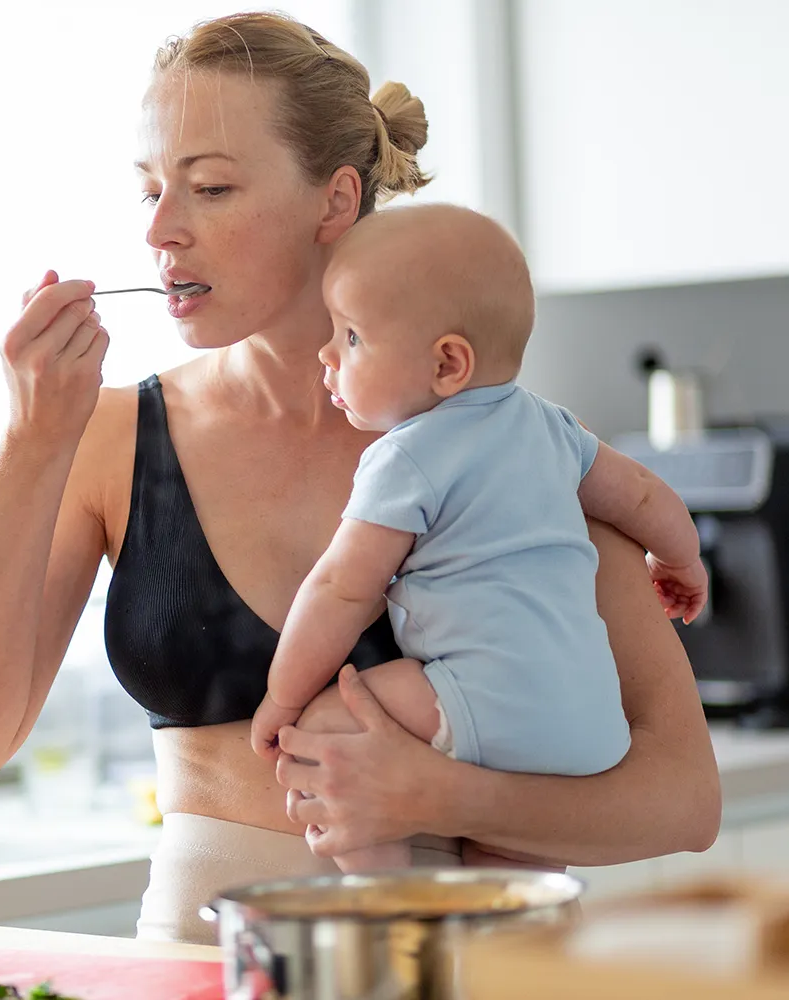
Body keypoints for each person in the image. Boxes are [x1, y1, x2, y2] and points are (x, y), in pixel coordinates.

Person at [0, 11, 721, 945]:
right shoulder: (109, 436)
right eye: (150, 191)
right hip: (205, 968)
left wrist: (444, 796)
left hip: (477, 970)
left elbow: (684, 799)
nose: (161, 230)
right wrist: (30, 440)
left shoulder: (507, 440)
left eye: (211, 187)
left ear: (335, 201)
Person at [249, 203, 709, 875]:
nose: (327, 353)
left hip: (485, 703)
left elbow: (341, 590)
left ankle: (384, 896)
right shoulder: (554, 427)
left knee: (326, 728)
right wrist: (680, 560)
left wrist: (284, 698)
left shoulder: (404, 457)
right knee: (511, 867)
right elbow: (643, 494)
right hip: (591, 728)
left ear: (448, 364)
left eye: (351, 337)